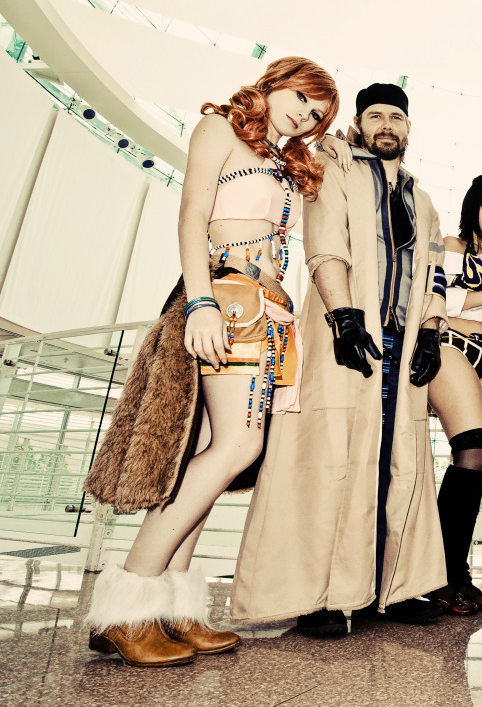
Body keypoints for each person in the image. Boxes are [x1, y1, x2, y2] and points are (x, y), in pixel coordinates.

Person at [82, 58, 339, 666]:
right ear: (275, 82)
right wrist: (200, 302)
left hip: (266, 306)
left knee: (208, 455)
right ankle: (128, 605)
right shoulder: (219, 127)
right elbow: (193, 215)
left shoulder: (282, 159)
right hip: (227, 297)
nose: (305, 115)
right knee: (239, 445)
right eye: (301, 97)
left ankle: (174, 606)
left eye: (317, 113)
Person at [230, 83, 449, 636]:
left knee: (397, 461)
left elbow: (435, 272)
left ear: (408, 128)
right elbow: (325, 245)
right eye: (375, 115)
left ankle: (391, 588)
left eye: (396, 116)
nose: (386, 124)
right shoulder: (334, 167)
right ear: (359, 122)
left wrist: (429, 331)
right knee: (330, 458)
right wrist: (343, 317)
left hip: (402, 345)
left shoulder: (423, 200)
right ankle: (320, 595)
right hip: (347, 334)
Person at [426, 174, 482, 615]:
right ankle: (439, 577)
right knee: (472, 447)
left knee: (475, 464)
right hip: (453, 346)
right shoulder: (448, 245)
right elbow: (431, 297)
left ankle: (456, 576)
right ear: (471, 205)